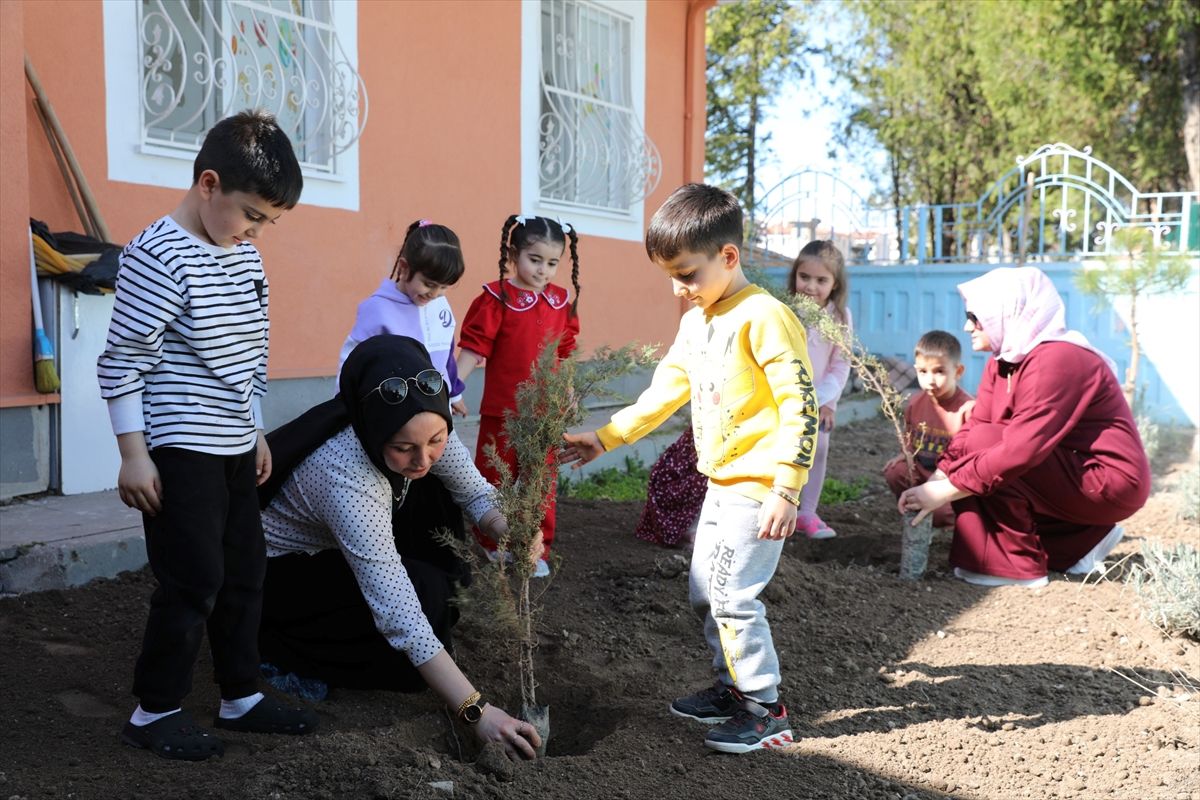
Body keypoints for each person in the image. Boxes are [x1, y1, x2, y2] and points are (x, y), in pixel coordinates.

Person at [562, 183, 819, 754]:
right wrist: (607, 437)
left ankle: (766, 708)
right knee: (707, 591)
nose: (680, 289)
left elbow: (801, 405)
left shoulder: (764, 317)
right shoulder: (698, 321)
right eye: (671, 277)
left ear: (728, 257)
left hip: (759, 486)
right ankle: (733, 688)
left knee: (734, 597)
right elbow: (664, 392)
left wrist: (787, 487)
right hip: (721, 484)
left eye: (687, 274)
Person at [96, 110, 316, 761]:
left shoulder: (244, 256)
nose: (257, 230)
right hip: (177, 449)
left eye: (269, 221)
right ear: (209, 184)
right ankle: (154, 709)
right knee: (193, 578)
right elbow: (122, 360)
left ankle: (240, 695)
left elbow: (253, 353)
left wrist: (255, 430)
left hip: (231, 446)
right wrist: (132, 455)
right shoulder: (157, 256)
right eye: (252, 213)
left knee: (245, 570)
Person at [257, 335, 541, 760]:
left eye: (437, 441)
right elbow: (398, 611)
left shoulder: (421, 422)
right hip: (277, 578)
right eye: (404, 448)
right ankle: (284, 652)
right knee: (423, 599)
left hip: (333, 548)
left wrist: (512, 532)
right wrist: (477, 711)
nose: (423, 458)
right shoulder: (345, 475)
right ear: (374, 431)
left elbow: (478, 495)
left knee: (435, 508)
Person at [898, 266, 1151, 587]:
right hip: (1074, 473)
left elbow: (1022, 449)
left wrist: (944, 490)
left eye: (976, 316)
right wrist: (937, 478)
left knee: (991, 446)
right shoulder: (1004, 360)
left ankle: (1009, 565)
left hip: (1109, 482)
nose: (967, 326)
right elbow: (977, 425)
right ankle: (1079, 542)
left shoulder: (1058, 359)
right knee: (980, 438)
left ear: (1006, 312)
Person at [455, 215, 582, 575]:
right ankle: (494, 542)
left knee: (541, 482)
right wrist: (451, 387)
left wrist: (568, 390)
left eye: (552, 263)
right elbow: (473, 347)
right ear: (513, 253)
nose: (543, 270)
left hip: (546, 412)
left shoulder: (560, 300)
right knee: (497, 477)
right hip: (503, 410)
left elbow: (564, 351)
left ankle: (535, 549)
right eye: (535, 260)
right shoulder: (496, 297)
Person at [338, 219, 469, 417]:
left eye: (443, 287)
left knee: (455, 450)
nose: (434, 293)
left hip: (436, 412)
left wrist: (454, 395)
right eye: (428, 283)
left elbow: (445, 354)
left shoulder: (440, 305)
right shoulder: (378, 309)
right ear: (404, 267)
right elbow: (351, 361)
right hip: (391, 413)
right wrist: (344, 407)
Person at [789, 240, 853, 539]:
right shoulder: (786, 310)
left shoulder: (839, 318)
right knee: (783, 450)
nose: (811, 286)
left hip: (819, 399)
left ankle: (807, 512)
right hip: (784, 397)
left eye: (821, 280)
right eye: (805, 277)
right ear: (795, 276)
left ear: (834, 284)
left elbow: (840, 365)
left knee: (819, 448)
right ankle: (778, 507)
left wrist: (827, 403)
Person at [883, 330, 975, 529]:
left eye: (939, 371)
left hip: (948, 482)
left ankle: (950, 518)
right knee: (895, 471)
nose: (930, 380)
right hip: (922, 471)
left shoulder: (967, 410)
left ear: (958, 372)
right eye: (923, 372)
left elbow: (971, 458)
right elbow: (909, 432)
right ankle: (914, 506)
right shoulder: (915, 403)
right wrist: (905, 452)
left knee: (939, 514)